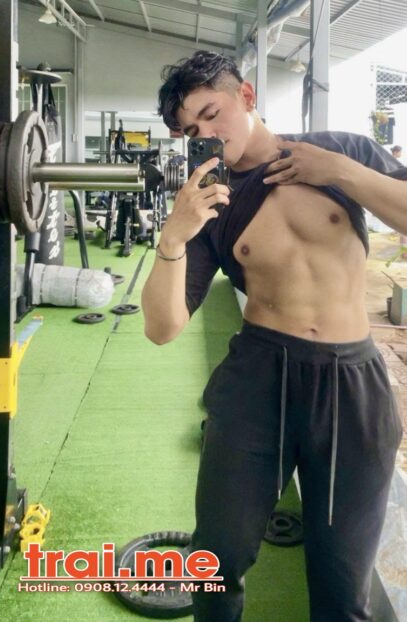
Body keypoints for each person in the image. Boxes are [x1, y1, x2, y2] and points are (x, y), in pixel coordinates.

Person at [141, 51, 407, 622]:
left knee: (343, 582)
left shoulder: (342, 150)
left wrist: (341, 173)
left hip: (351, 384)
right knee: (216, 561)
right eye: (192, 132)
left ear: (247, 96)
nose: (208, 135)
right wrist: (174, 236)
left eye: (212, 114)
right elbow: (162, 328)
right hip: (257, 380)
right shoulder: (211, 201)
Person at [391, 146, 407, 257]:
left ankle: (404, 251)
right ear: (396, 152)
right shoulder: (394, 164)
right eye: (400, 152)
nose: (401, 154)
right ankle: (404, 251)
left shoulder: (393, 163)